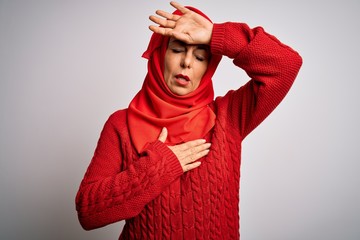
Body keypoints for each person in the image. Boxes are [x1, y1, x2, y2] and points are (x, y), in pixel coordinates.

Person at [75, 1, 302, 239]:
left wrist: (217, 34)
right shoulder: (120, 124)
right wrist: (158, 167)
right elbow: (89, 213)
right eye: (177, 50)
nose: (187, 63)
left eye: (201, 56)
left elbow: (286, 65)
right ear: (160, 54)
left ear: (209, 67)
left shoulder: (229, 116)